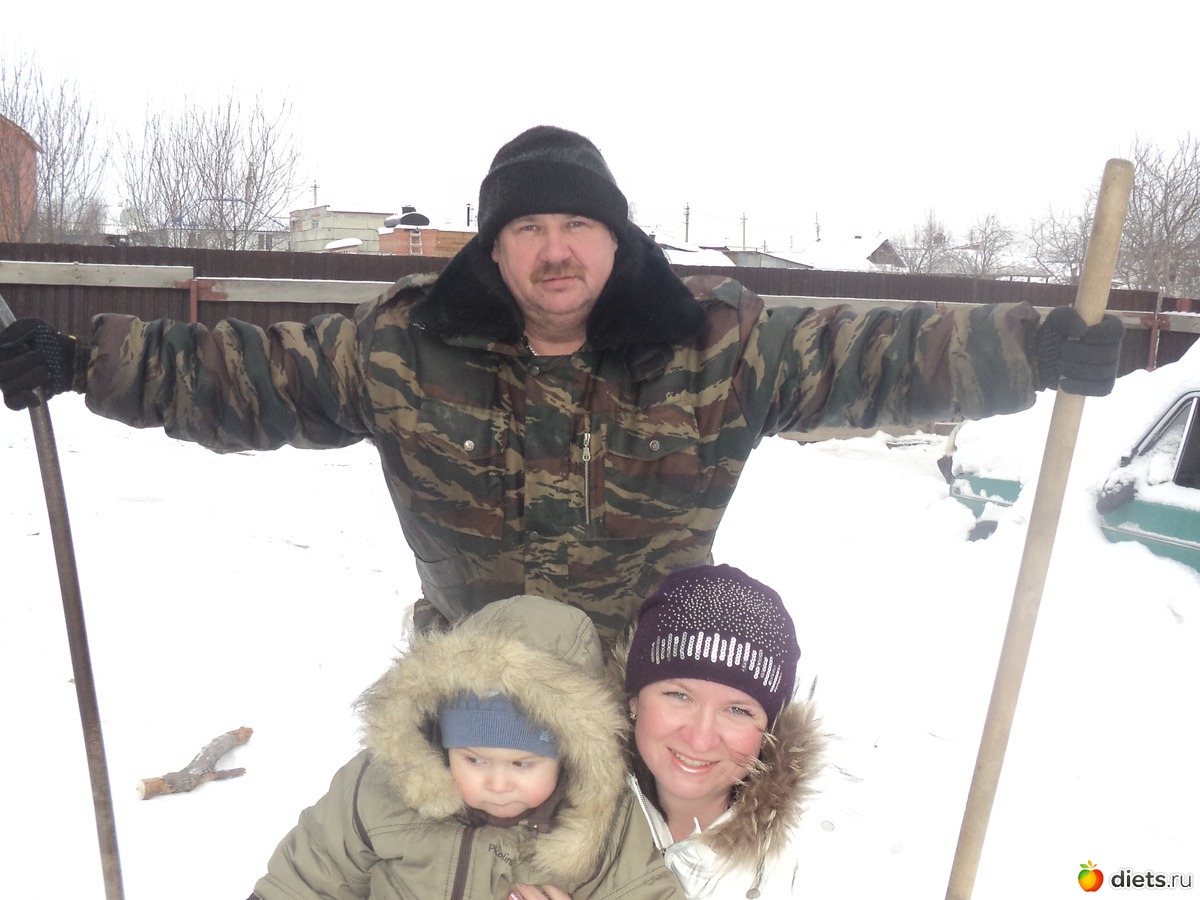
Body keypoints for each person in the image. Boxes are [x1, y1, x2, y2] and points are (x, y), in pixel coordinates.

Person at [0, 125, 1124, 651]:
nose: (553, 249)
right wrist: (85, 361)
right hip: (469, 686)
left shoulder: (714, 347)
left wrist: (1035, 349)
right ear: (491, 248)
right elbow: (241, 375)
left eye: (577, 224)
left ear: (615, 239)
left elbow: (877, 355)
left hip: (646, 695)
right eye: (526, 227)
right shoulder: (403, 349)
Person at [249, 594, 684, 900]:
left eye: (522, 763)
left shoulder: (602, 824)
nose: (497, 783)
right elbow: (311, 872)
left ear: (568, 757)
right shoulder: (383, 788)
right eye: (474, 759)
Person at [618, 563, 822, 899]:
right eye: (679, 696)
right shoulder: (549, 804)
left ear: (770, 731)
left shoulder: (811, 865)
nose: (700, 739)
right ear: (634, 699)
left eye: (737, 710)